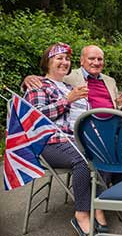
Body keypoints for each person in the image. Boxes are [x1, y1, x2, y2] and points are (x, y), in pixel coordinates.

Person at [24, 43, 107, 236]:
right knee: (82, 161)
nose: (65, 62)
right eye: (59, 58)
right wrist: (67, 100)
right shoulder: (38, 86)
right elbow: (36, 118)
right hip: (49, 143)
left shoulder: (69, 86)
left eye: (67, 59)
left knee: (104, 153)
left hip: (72, 139)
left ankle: (98, 204)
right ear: (48, 62)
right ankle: (82, 213)